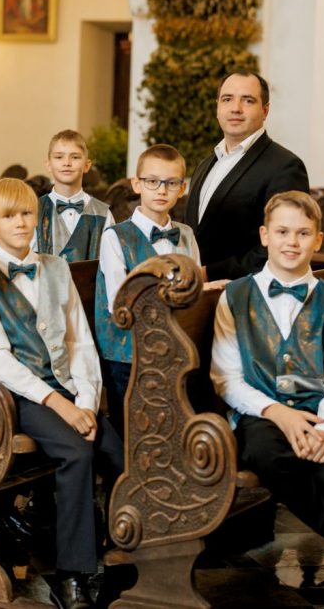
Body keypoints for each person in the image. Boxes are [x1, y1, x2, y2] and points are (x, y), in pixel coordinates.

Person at [0, 178, 123, 609]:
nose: (20, 223)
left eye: (27, 214)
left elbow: (79, 341)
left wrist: (85, 402)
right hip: (17, 395)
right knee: (76, 452)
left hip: (68, 388)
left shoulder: (55, 267)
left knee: (115, 450)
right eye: (9, 216)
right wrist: (59, 405)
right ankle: (72, 572)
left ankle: (120, 550)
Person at [210, 191, 324, 560]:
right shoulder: (234, 296)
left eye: (303, 233)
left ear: (318, 240)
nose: (292, 242)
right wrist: (279, 413)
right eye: (282, 232)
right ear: (265, 235)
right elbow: (226, 379)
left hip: (321, 409)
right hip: (261, 411)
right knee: (266, 454)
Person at [95, 144, 203, 436]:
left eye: (171, 183)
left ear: (182, 189)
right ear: (137, 184)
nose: (162, 190)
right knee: (134, 431)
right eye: (152, 181)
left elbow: (194, 290)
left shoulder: (186, 235)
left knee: (175, 424)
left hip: (176, 346)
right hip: (127, 352)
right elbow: (119, 303)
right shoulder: (115, 237)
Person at [184, 70, 309, 280]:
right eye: (227, 99)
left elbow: (281, 246)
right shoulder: (204, 164)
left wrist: (208, 274)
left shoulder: (286, 167)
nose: (235, 108)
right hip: (193, 291)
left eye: (248, 100)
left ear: (265, 110)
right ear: (217, 107)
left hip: (244, 293)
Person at [34, 130, 114, 263]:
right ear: (48, 165)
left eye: (75, 157)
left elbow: (110, 263)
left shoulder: (103, 214)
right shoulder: (34, 210)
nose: (66, 163)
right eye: (59, 157)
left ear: (87, 165)